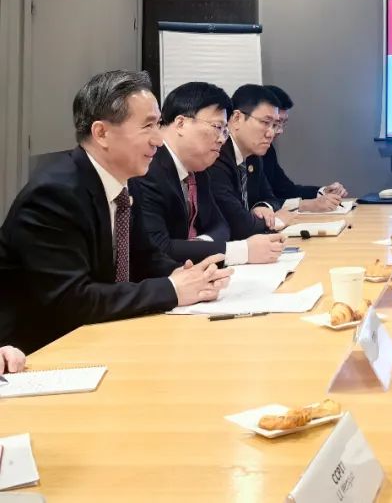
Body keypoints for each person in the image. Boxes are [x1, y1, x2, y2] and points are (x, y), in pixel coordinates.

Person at [0, 71, 231, 353]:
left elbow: (145, 257)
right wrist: (172, 289)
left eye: (158, 124)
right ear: (102, 133)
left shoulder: (123, 183)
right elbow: (71, 300)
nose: (159, 140)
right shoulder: (54, 194)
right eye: (148, 126)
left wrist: (188, 276)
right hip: (40, 352)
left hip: (100, 337)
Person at [130, 82, 286, 265]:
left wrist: (198, 245)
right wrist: (241, 251)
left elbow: (221, 226)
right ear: (181, 123)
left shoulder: (198, 167)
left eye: (225, 131)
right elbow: (159, 247)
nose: (222, 139)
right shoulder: (148, 168)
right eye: (217, 127)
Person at [208, 84, 285, 233]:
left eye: (275, 125)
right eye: (265, 122)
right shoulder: (216, 154)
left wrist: (263, 207)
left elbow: (271, 198)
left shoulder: (253, 156)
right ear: (237, 118)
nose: (271, 133)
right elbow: (238, 224)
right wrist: (279, 220)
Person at [262, 85, 347, 212]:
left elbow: (286, 190)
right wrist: (305, 205)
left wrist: (323, 191)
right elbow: (256, 203)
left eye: (283, 123)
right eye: (275, 123)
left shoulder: (267, 150)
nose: (279, 130)